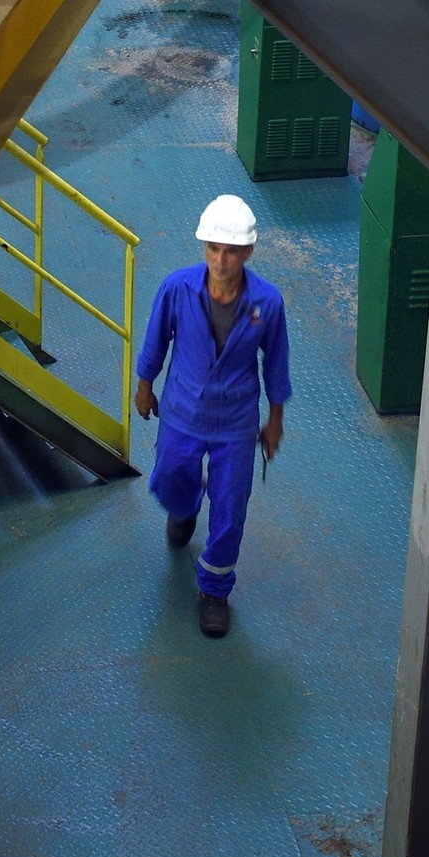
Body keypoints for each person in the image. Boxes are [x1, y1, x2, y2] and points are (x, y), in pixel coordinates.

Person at [134, 194, 291, 639]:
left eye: (231, 252)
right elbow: (155, 341)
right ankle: (183, 509)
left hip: (236, 422)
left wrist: (274, 419)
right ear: (204, 248)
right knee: (169, 477)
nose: (221, 260)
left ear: (248, 253)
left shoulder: (267, 304)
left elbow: (275, 363)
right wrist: (145, 387)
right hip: (182, 410)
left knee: (230, 504)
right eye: (214, 250)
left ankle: (216, 590)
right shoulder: (177, 289)